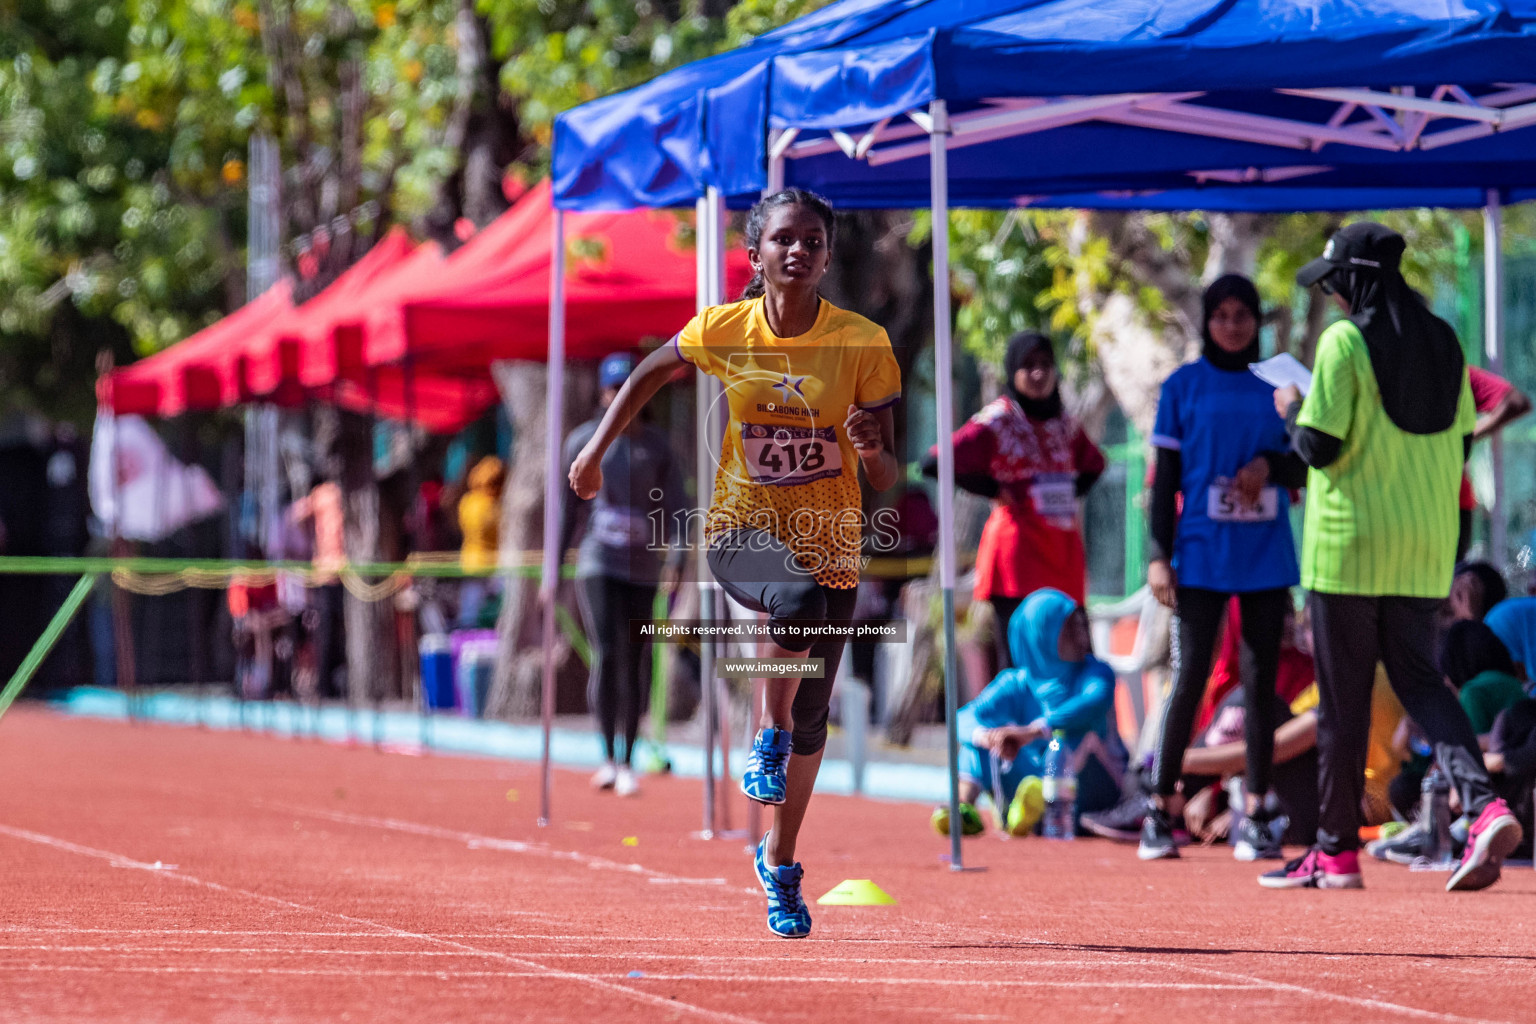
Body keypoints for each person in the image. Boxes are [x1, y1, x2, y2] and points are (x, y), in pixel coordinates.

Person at [568, 188, 901, 939]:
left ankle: (779, 859)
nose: (800, 251)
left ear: (826, 254)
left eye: (814, 240)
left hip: (833, 540)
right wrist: (594, 451)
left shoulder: (862, 343)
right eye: (785, 238)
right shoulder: (726, 327)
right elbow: (651, 371)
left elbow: (885, 474)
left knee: (815, 714)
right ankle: (765, 734)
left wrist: (876, 452)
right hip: (739, 529)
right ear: (757, 254)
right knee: (795, 609)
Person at [1262, 221, 1521, 892]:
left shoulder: (1344, 342)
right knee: (1422, 683)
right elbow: (1460, 441)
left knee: (1341, 704)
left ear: (1354, 280)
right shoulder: (1444, 342)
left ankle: (1335, 852)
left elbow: (1316, 448)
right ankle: (1487, 803)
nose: (1338, 300)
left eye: (1338, 285)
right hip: (1424, 548)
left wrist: (1290, 408)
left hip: (1348, 548)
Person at [1140, 274, 1308, 863]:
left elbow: (1310, 464)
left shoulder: (1282, 383)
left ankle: (1257, 810)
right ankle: (1159, 807)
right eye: (1222, 315)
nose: (1233, 325)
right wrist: (1159, 556)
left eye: (1244, 315)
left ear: (1257, 322)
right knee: (1189, 679)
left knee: (1262, 683)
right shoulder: (1183, 386)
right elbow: (1163, 483)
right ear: (1207, 321)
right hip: (1202, 555)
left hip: (1266, 556)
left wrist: (1270, 465)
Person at [923, 332, 1105, 670]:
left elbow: (1095, 464)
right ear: (1012, 371)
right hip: (1015, 560)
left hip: (1063, 556)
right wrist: (994, 489)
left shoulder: (1065, 424)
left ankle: (1068, 723)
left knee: (1077, 656)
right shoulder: (999, 419)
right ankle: (1019, 725)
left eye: (1045, 365)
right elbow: (934, 462)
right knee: (1019, 660)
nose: (1038, 374)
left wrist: (1064, 493)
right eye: (1028, 365)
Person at [560, 351, 688, 798]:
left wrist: (676, 559)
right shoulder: (582, 441)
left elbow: (678, 509)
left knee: (636, 661)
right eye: (614, 390)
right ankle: (607, 757)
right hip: (598, 563)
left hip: (643, 569)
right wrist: (553, 573)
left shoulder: (657, 447)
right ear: (602, 394)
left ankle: (629, 759)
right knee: (608, 653)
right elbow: (566, 509)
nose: (621, 397)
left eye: (629, 388)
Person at [934, 588, 1121, 838]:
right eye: (1068, 626)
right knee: (977, 740)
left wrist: (1032, 731)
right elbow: (963, 718)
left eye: (1081, 623)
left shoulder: (1096, 672)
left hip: (1088, 789)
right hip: (1037, 780)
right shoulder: (1016, 682)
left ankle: (1038, 808)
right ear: (1040, 635)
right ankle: (963, 808)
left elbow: (1094, 701)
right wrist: (988, 737)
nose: (1081, 632)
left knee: (1063, 742)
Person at [1458, 368, 1531, 559]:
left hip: (1452, 503)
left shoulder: (1449, 366)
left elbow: (1516, 402)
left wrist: (1463, 437)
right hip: (1451, 503)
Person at [457, 456, 504, 629]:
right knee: (497, 607)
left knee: (470, 608)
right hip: (494, 565)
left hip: (470, 563)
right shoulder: (494, 506)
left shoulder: (467, 502)